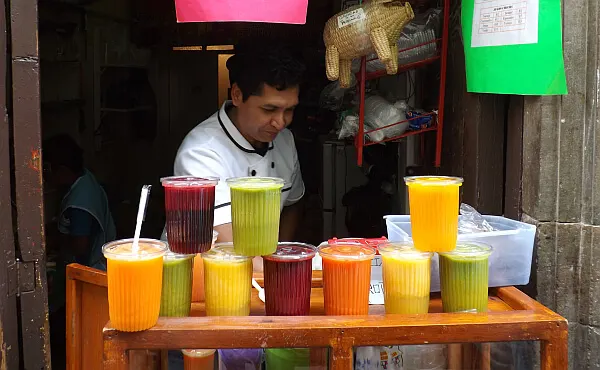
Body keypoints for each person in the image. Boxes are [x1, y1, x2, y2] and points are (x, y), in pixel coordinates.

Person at [172, 44, 306, 271]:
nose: (280, 122)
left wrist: (278, 255)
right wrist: (278, 271)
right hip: (210, 280)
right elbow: (232, 249)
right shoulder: (200, 153)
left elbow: (293, 204)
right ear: (237, 95)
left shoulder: (285, 141)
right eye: (269, 109)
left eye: (289, 110)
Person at [43, 134, 116, 370]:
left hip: (92, 275)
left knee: (68, 334)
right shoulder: (84, 179)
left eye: (48, 170)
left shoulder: (81, 201)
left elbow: (80, 247)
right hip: (92, 270)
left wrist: (53, 241)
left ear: (62, 170)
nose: (45, 177)